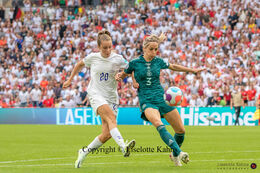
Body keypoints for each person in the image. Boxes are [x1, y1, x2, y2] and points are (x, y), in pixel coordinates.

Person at [116, 33, 205, 166]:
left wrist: (192, 70)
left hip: (161, 98)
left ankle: (174, 155)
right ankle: (179, 152)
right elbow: (125, 73)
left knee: (181, 130)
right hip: (146, 100)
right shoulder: (134, 63)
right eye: (151, 49)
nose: (154, 52)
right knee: (159, 124)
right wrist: (122, 77)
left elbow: (173, 66)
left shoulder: (158, 61)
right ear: (144, 48)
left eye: (156, 49)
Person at [63, 30, 135, 168]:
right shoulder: (93, 57)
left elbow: (130, 69)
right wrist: (70, 79)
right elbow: (79, 64)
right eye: (104, 48)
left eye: (110, 47)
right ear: (99, 47)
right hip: (96, 94)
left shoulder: (118, 59)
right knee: (111, 119)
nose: (108, 50)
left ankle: (84, 151)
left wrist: (122, 75)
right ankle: (123, 146)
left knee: (106, 134)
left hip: (111, 97)